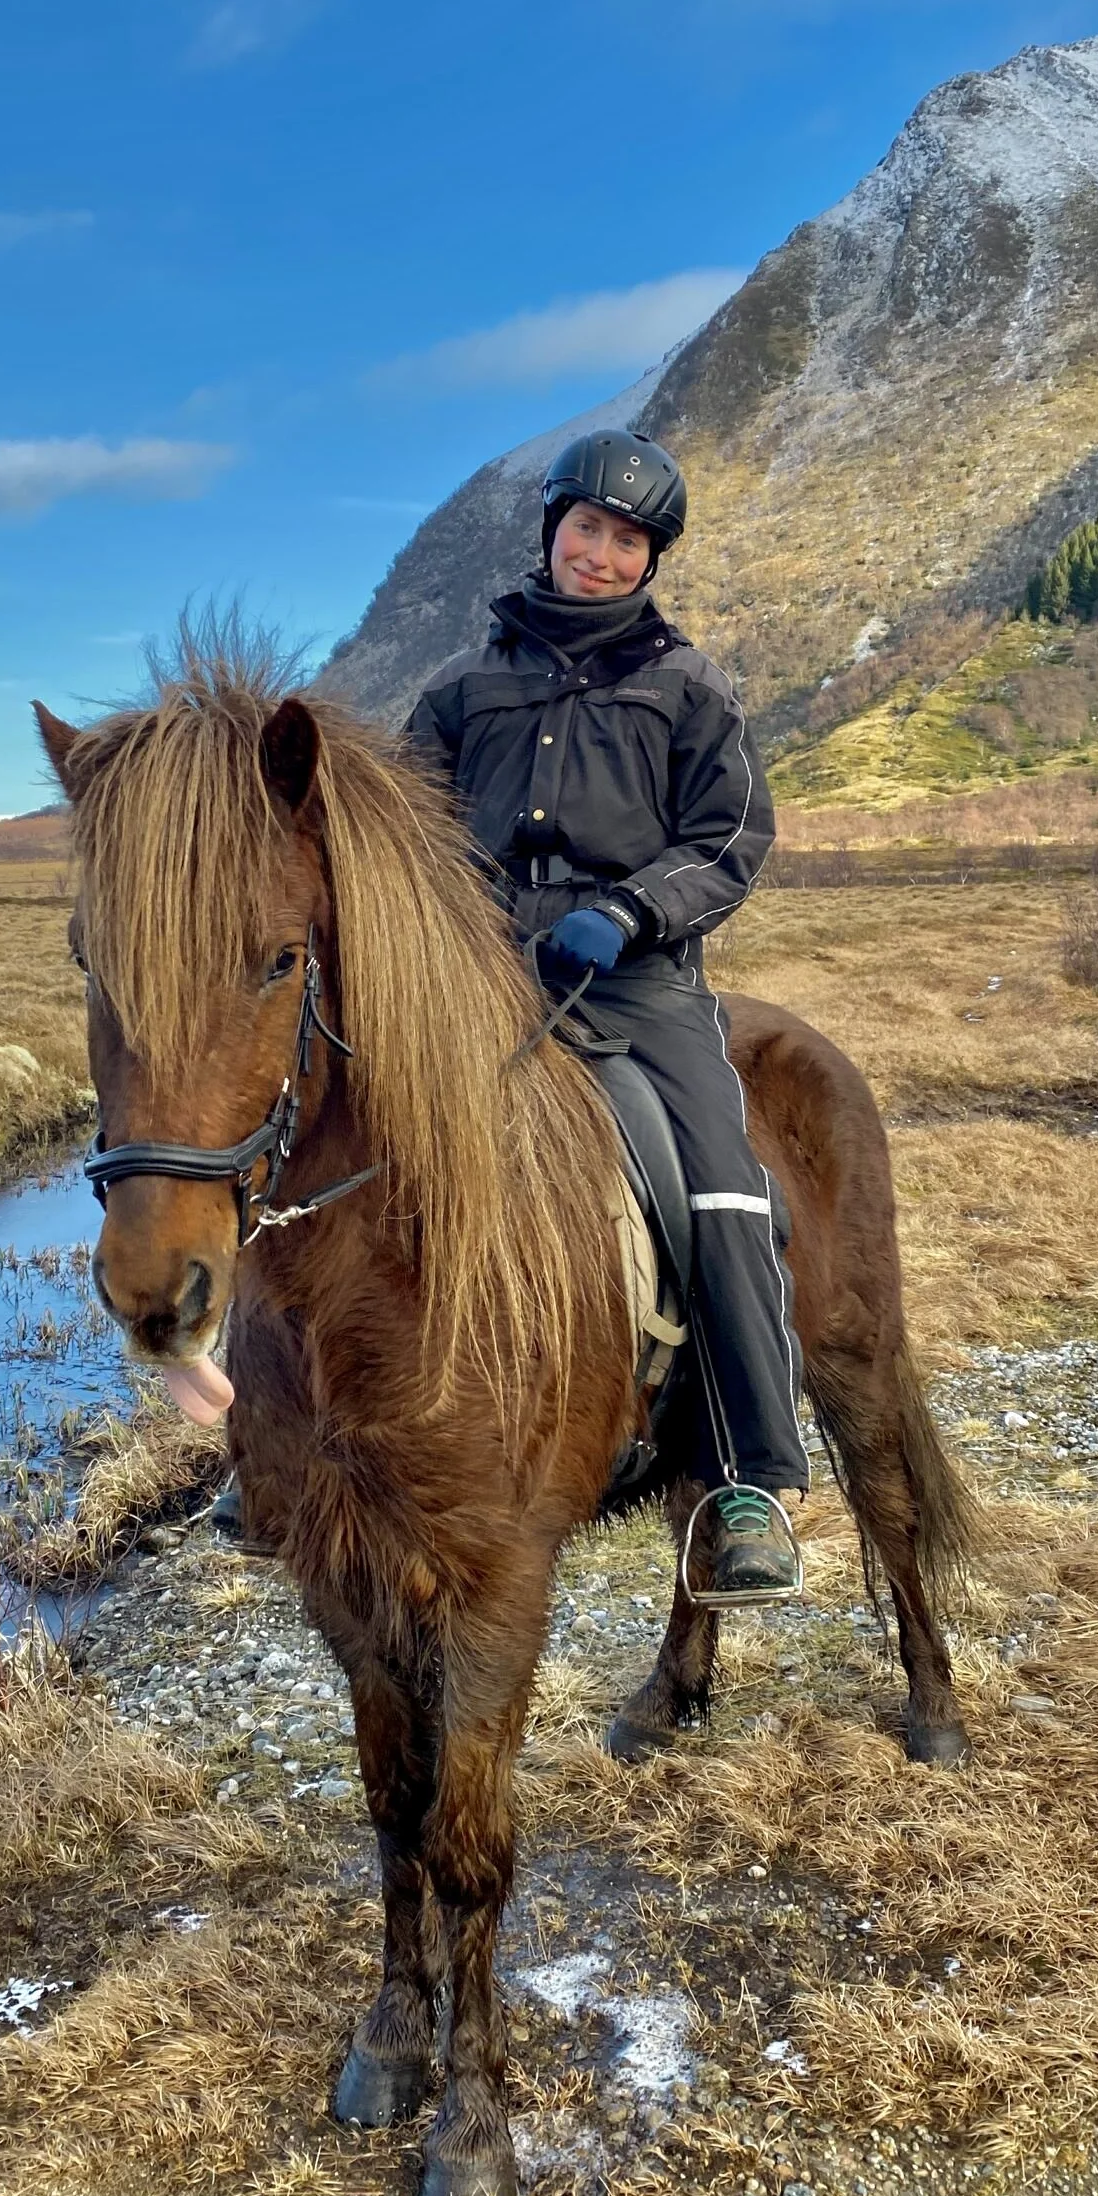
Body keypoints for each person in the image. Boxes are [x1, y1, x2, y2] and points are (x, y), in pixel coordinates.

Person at [404, 429, 806, 1595]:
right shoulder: (459, 692)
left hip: (633, 976)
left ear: (650, 560)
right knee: (328, 1120)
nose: (600, 551)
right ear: (551, 530)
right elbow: (400, 844)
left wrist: (632, 911)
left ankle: (746, 1480)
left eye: (626, 539)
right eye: (586, 526)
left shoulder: (689, 686)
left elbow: (732, 837)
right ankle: (275, 1440)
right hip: (474, 971)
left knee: (721, 1181)